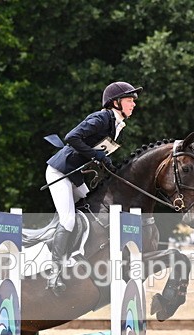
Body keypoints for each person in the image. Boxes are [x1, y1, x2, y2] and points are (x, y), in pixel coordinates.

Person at [43, 81, 141, 293]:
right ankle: (54, 272)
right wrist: (97, 155)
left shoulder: (116, 125)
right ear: (116, 102)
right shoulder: (101, 118)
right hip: (60, 171)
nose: (133, 104)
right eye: (129, 100)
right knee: (68, 218)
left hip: (75, 175)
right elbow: (71, 137)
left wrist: (103, 161)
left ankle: (76, 256)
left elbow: (93, 149)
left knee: (93, 211)